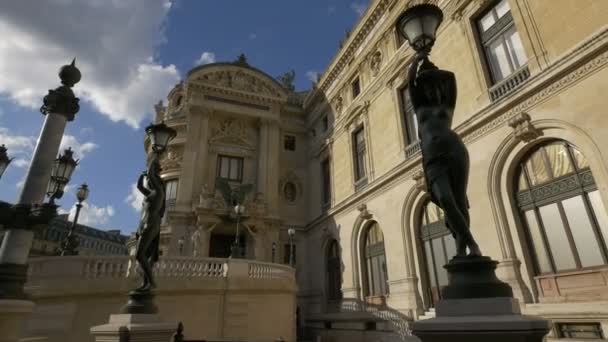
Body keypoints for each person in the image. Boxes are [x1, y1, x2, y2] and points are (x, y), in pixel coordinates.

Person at [408, 54, 481, 258]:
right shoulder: (419, 107)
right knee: (446, 200)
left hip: (455, 149)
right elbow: (410, 82)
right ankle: (472, 244)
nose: (430, 89)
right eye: (426, 86)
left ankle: (460, 249)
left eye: (433, 86)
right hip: (432, 158)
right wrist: (417, 61)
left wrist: (431, 70)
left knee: (458, 201)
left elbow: (450, 78)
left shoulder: (447, 105)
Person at [134, 155, 165, 291]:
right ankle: (146, 283)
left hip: (151, 224)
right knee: (146, 256)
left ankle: (150, 282)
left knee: (139, 255)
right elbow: (139, 186)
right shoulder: (150, 193)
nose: (149, 181)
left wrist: (154, 159)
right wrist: (142, 175)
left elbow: (152, 175)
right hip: (145, 224)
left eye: (150, 180)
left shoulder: (159, 192)